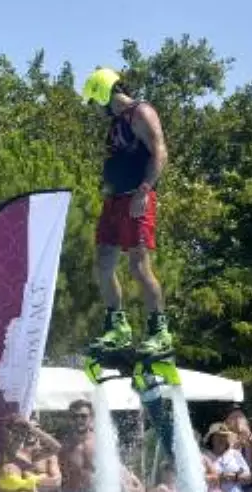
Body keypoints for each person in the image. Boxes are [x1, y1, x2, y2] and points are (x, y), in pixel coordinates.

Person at [81, 67, 171, 356]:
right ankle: (117, 327)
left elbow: (160, 152)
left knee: (138, 266)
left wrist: (144, 191)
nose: (97, 110)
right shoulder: (117, 121)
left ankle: (160, 331)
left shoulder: (140, 112)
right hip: (114, 199)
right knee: (103, 262)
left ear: (105, 93)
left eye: (97, 102)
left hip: (136, 197)